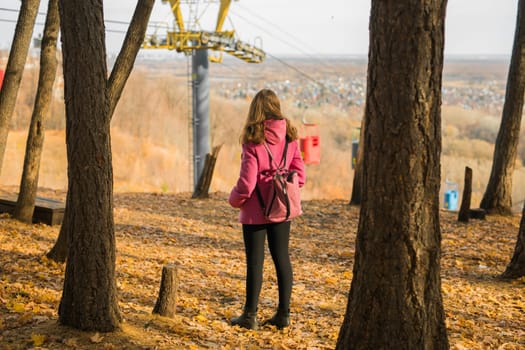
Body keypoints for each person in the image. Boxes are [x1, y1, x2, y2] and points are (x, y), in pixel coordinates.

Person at [228, 89, 306, 330]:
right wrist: (284, 186)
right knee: (282, 257)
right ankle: (283, 315)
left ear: (256, 110)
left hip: (255, 211)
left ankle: (249, 316)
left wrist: (234, 199)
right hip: (282, 206)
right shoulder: (290, 136)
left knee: (255, 262)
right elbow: (300, 176)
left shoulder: (253, 139)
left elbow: (247, 183)